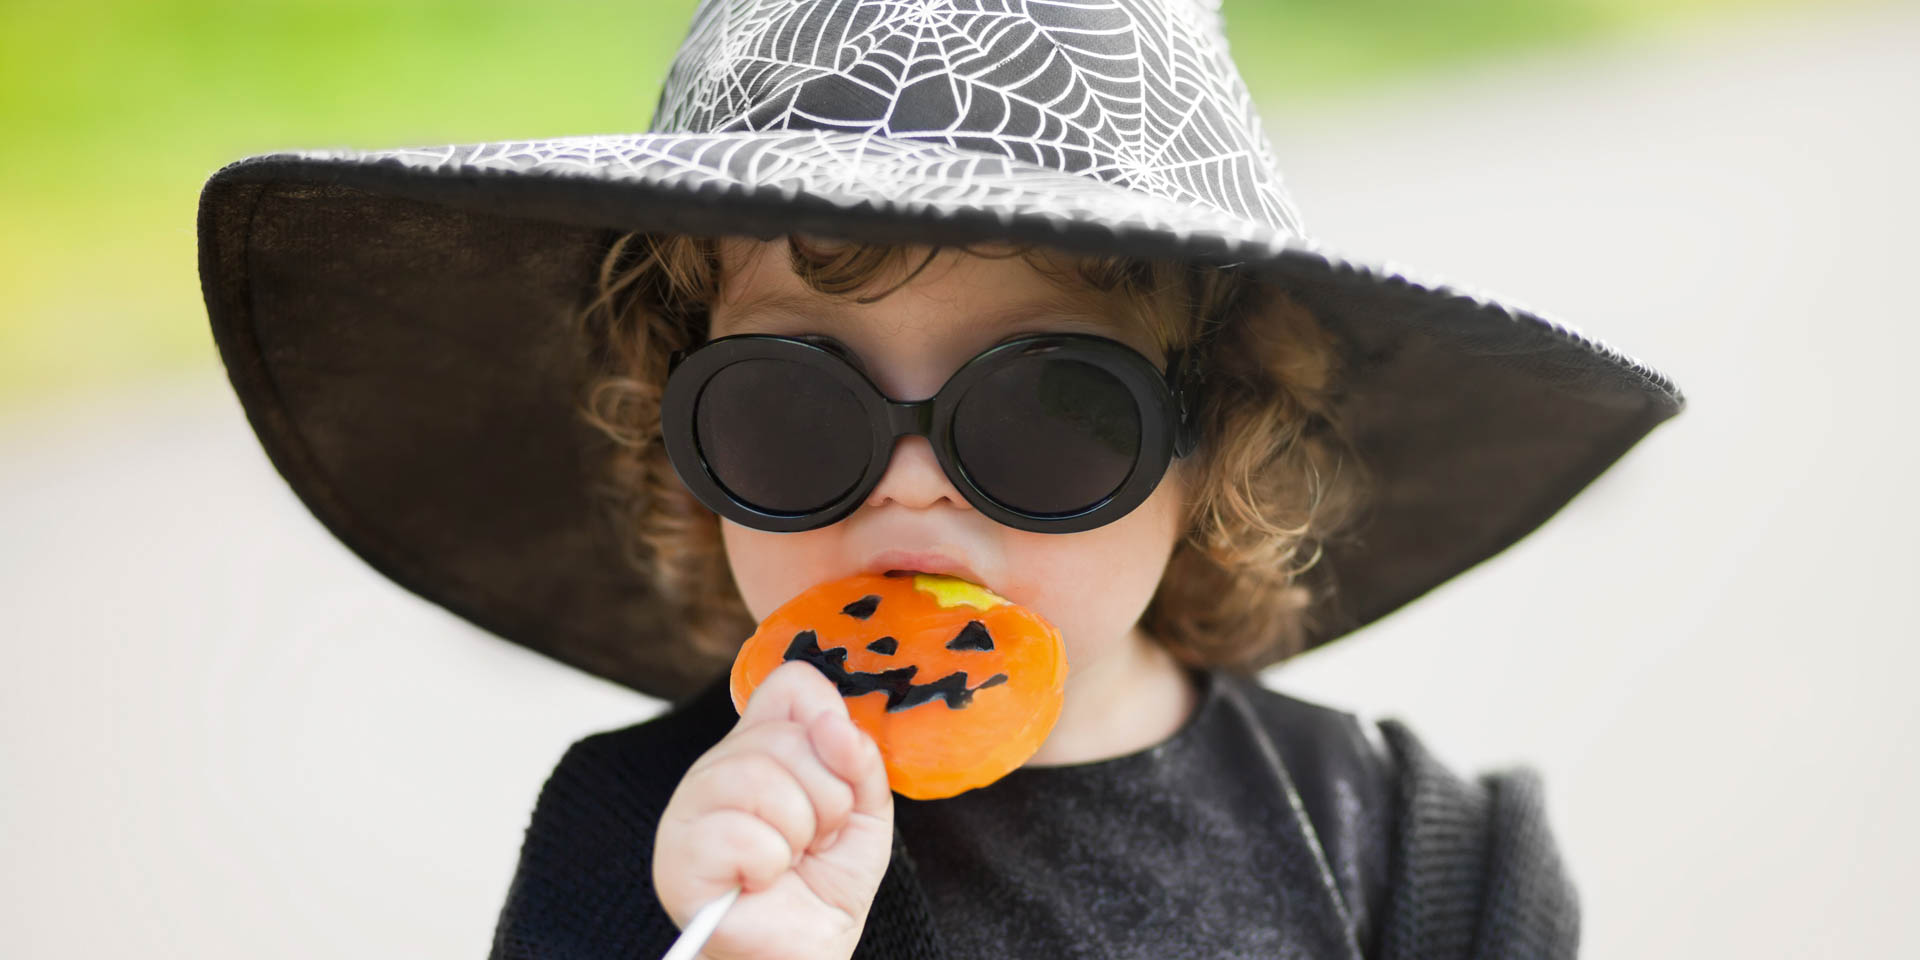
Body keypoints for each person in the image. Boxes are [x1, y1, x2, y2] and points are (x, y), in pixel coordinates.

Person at [194, 0, 1685, 957]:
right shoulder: (639, 856)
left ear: (1214, 434)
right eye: (789, 410)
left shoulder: (1418, 864)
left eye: (1047, 408)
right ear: (681, 434)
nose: (907, 487)